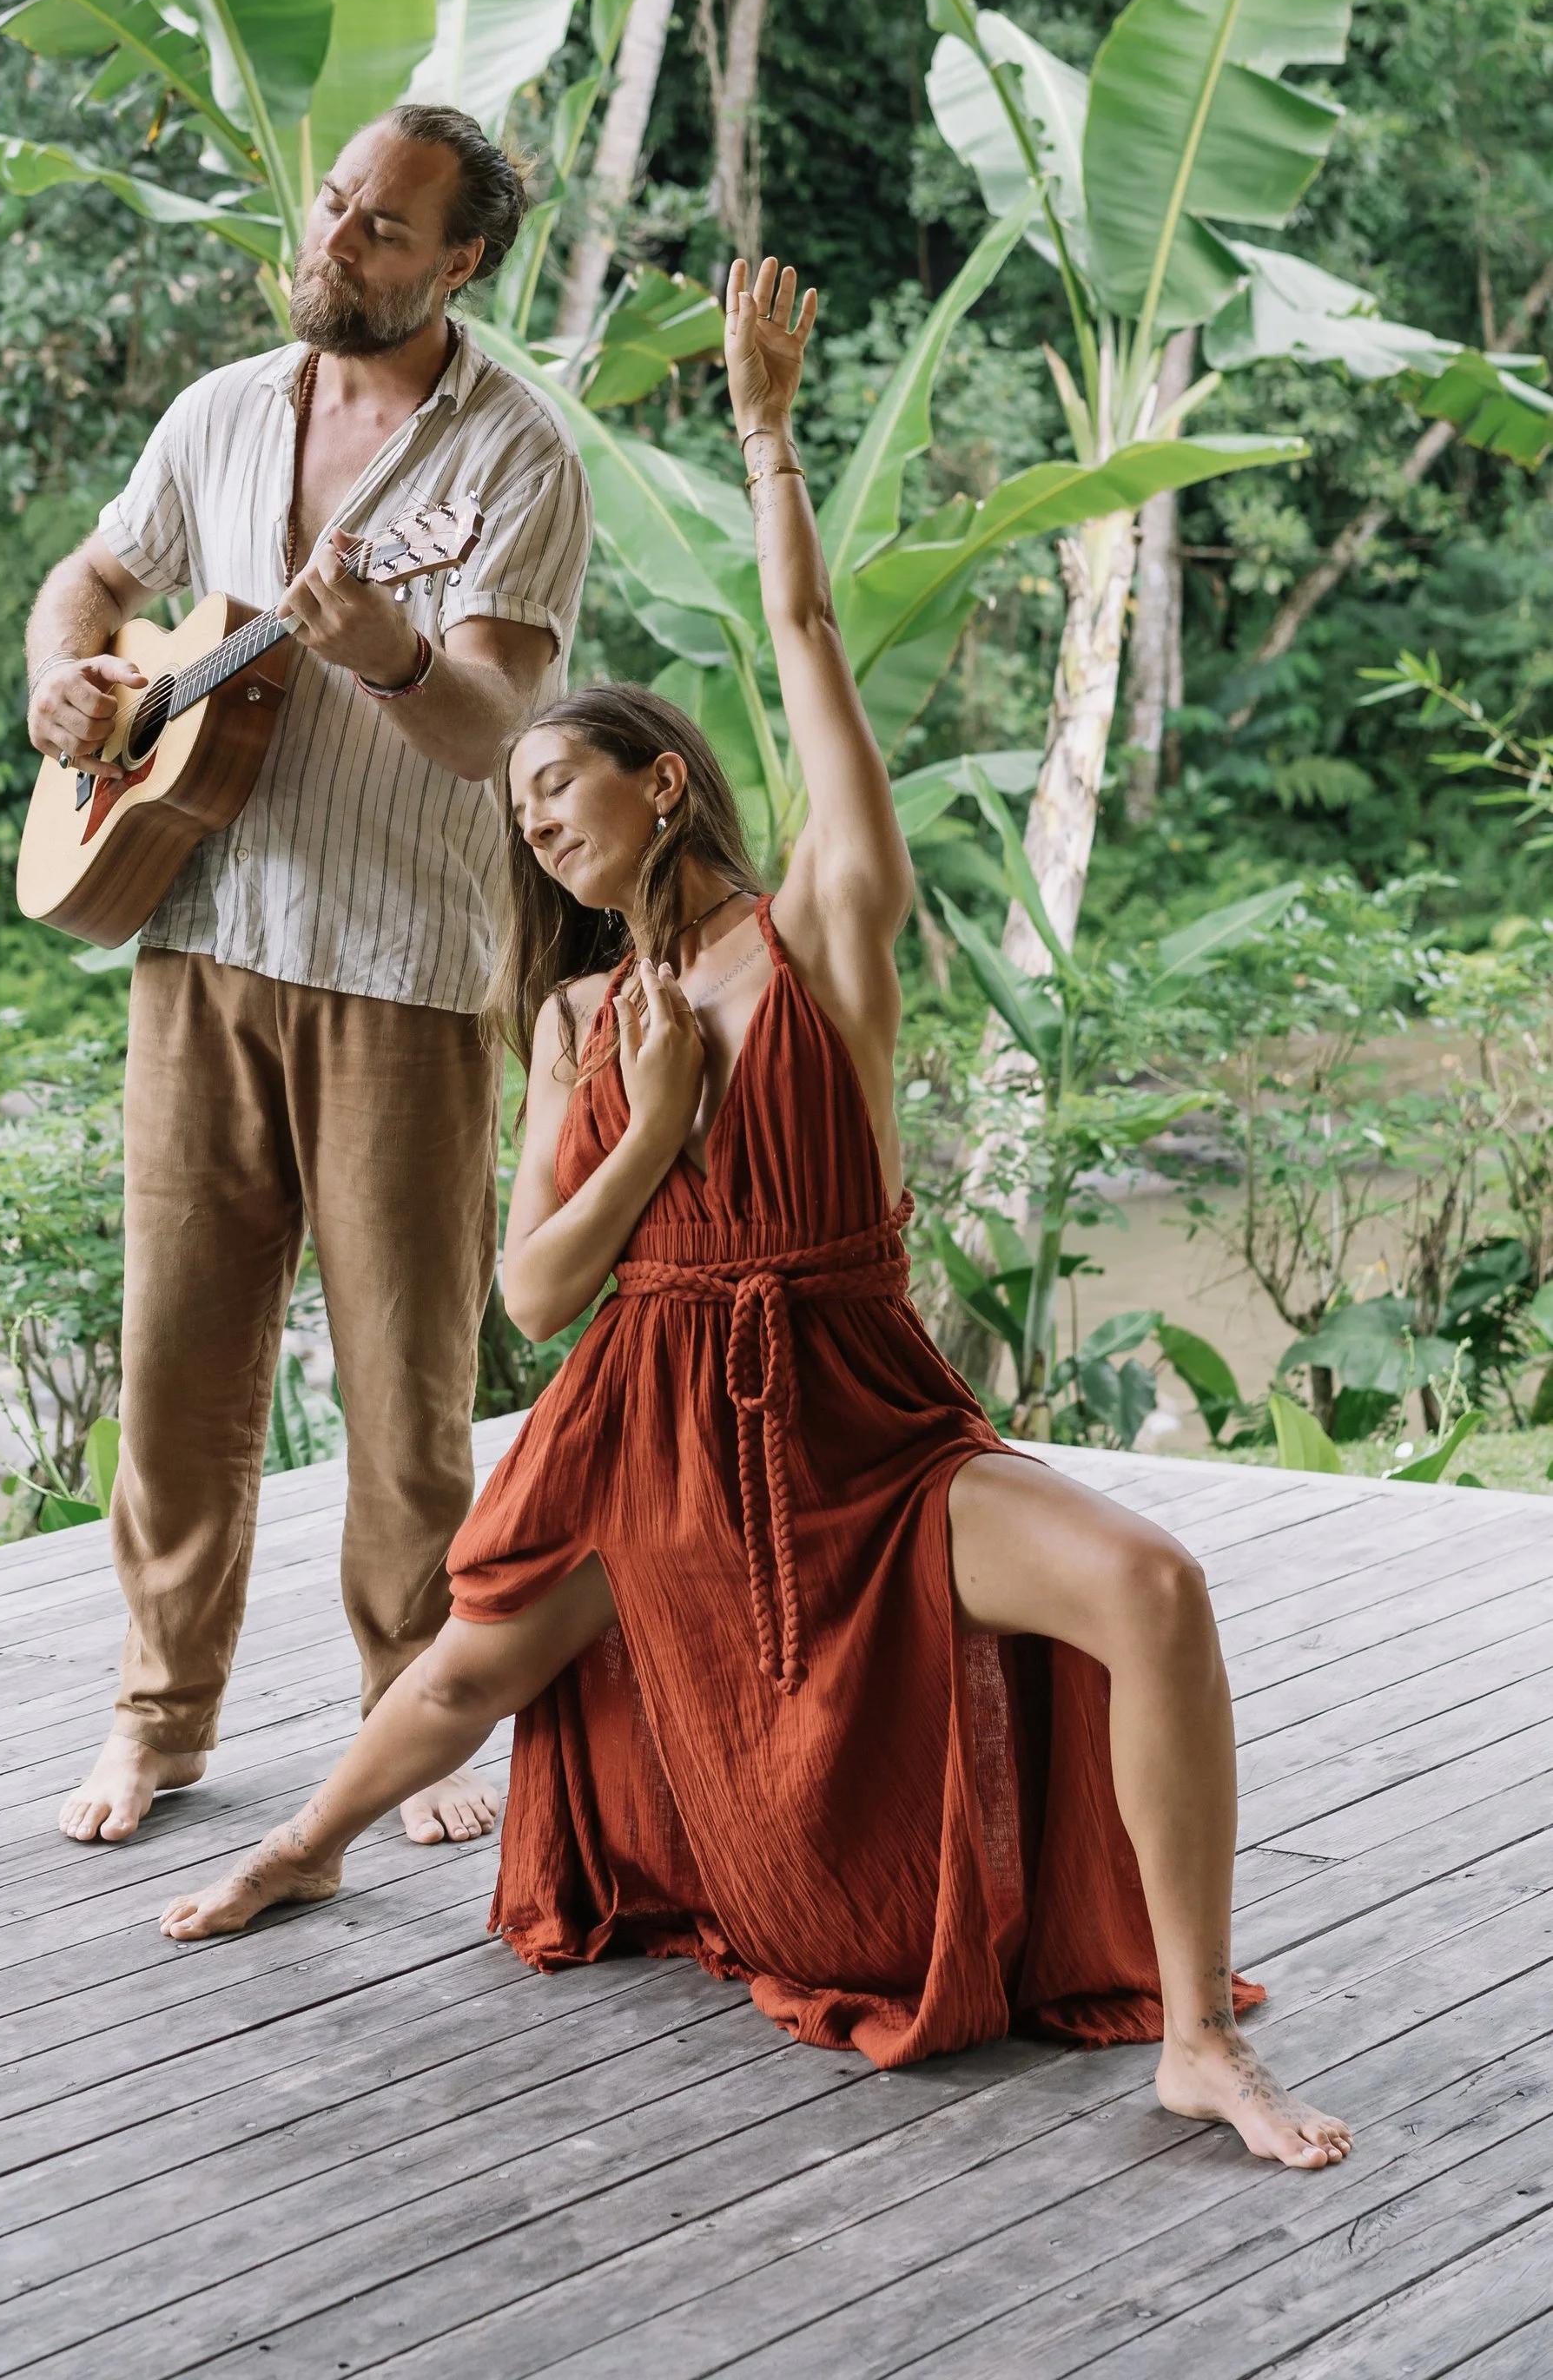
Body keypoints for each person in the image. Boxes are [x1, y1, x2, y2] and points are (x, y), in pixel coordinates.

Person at [155, 254, 1351, 2172]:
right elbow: (539, 1299)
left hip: (855, 1413)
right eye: (516, 807)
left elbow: (804, 640)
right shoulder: (568, 1017)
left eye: (558, 784)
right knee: (471, 1665)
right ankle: (303, 1851)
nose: (532, 818)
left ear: (658, 782)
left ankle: (1197, 2039)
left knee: (1152, 1589)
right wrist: (648, 1130)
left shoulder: (820, 943)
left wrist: (768, 435)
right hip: (651, 1414)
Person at [28, 105, 593, 1850]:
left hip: (401, 968)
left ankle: (404, 1716)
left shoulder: (514, 458)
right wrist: (64, 680)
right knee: (175, 1368)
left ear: (460, 262)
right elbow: (99, 578)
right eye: (333, 206)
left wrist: (394, 653)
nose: (334, 242)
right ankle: (155, 1717)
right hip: (195, 933)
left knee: (403, 1388)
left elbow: (491, 722)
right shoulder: (215, 413)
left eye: (378, 228)